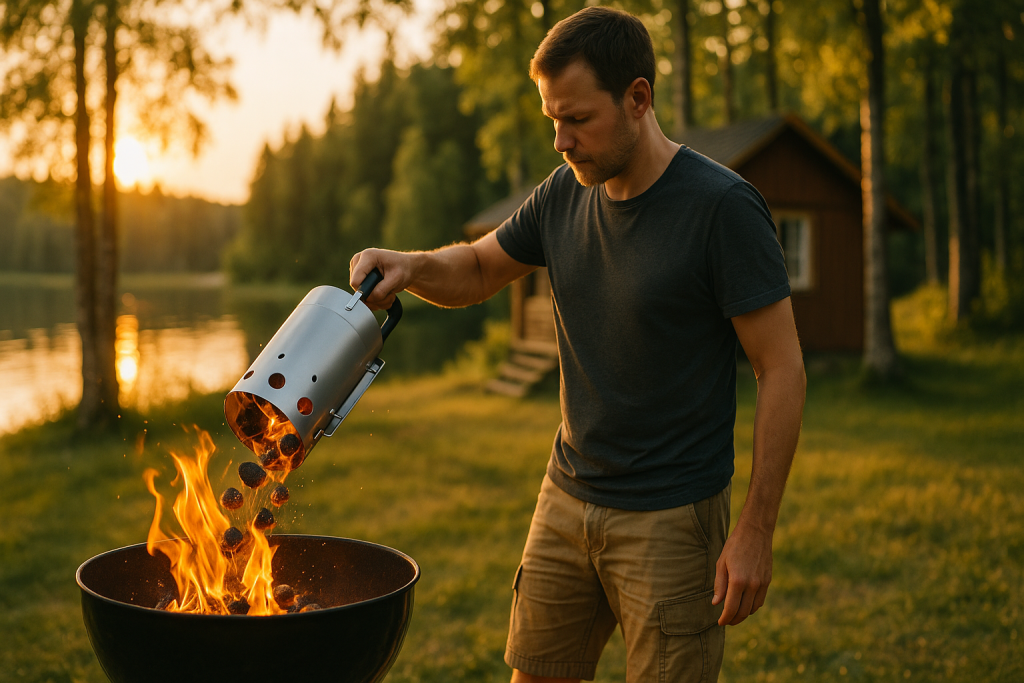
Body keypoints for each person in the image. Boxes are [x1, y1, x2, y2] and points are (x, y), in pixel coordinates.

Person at [349, 6, 805, 682]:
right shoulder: (564, 193)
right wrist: (412, 266)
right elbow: (478, 268)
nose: (561, 140)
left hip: (673, 516)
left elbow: (782, 368)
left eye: (577, 119)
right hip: (566, 497)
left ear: (638, 98)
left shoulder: (721, 207)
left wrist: (756, 531)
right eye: (551, 121)